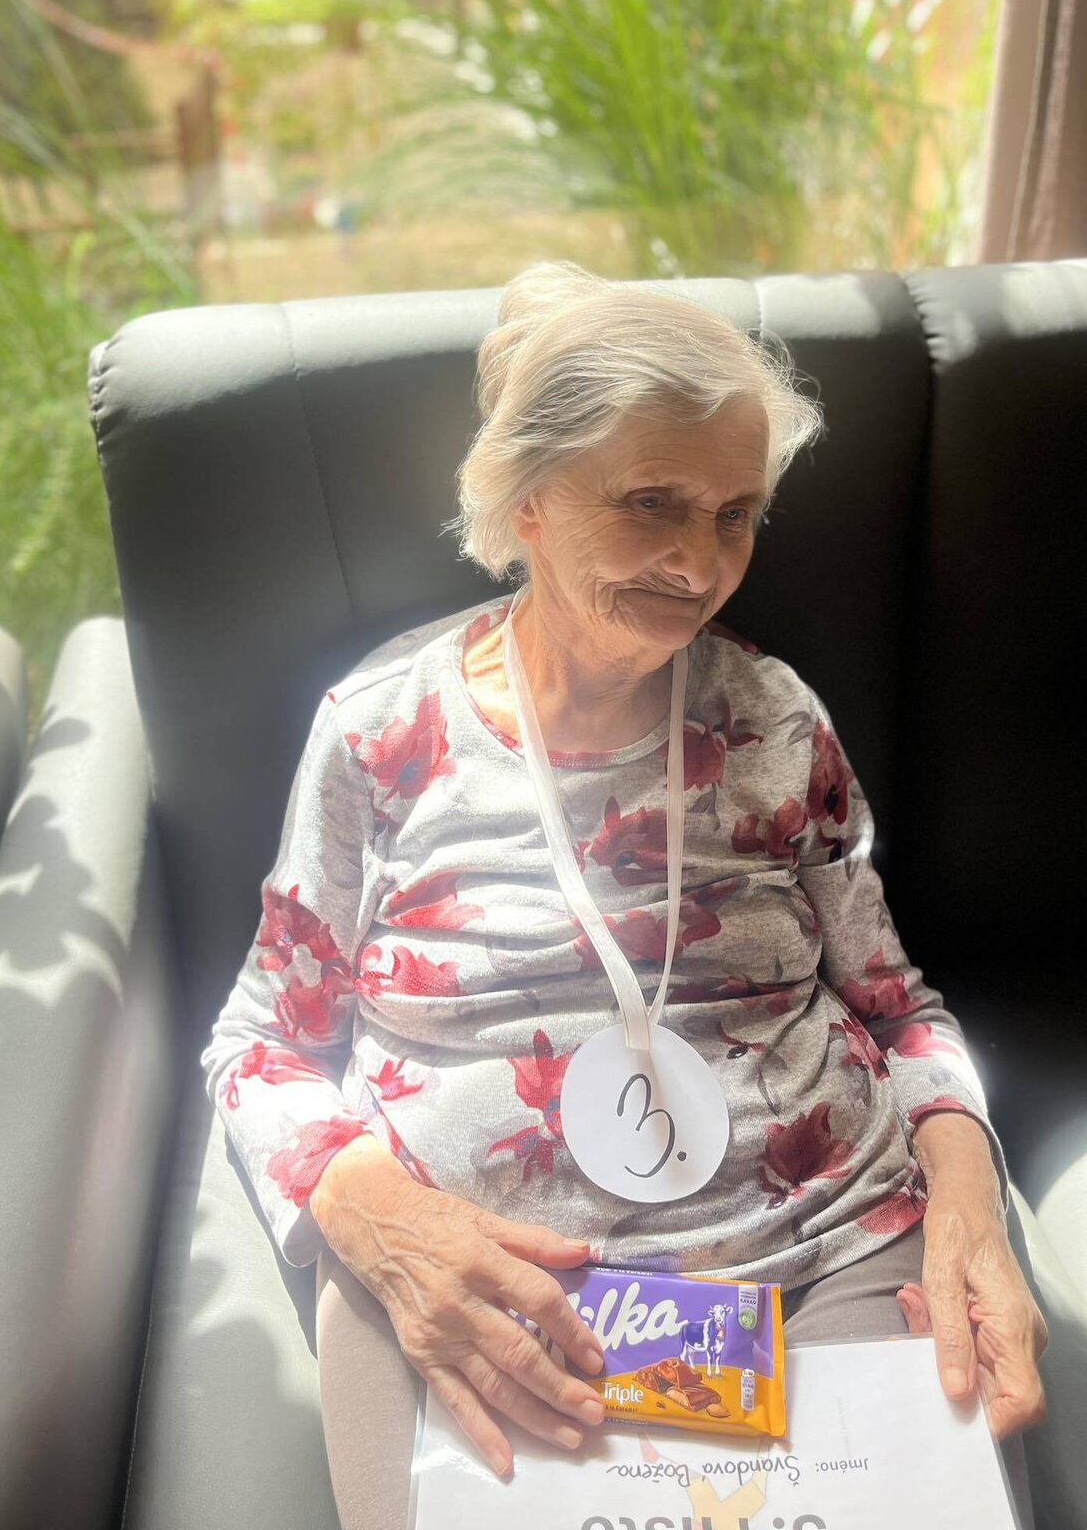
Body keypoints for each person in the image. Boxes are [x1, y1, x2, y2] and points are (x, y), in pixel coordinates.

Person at [202, 262, 1046, 1530]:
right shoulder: (381, 735)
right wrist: (368, 1211)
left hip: (824, 1256)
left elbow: (899, 1010)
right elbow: (261, 1043)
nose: (699, 564)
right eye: (652, 502)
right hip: (487, 1294)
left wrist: (971, 1203)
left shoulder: (774, 720)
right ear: (527, 497)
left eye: (735, 515)